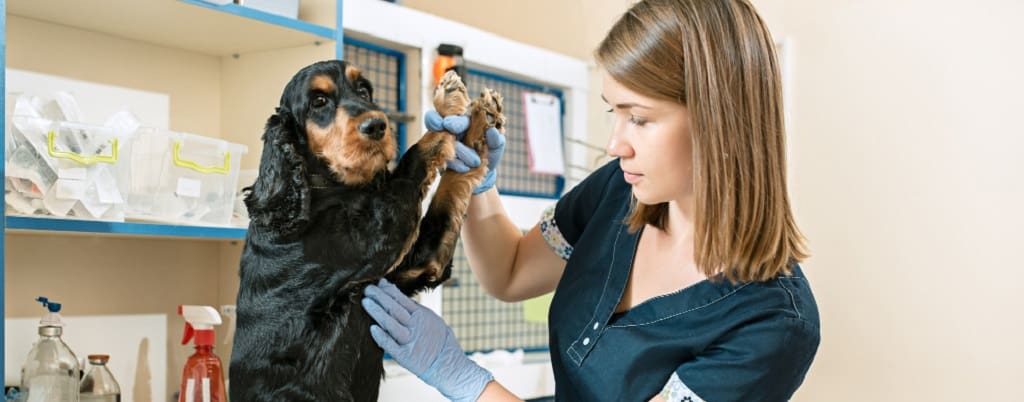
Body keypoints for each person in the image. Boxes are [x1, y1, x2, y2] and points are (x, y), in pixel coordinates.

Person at [360, 0, 821, 400]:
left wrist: (465, 381)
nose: (617, 144)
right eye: (613, 111)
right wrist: (479, 184)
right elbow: (512, 271)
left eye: (639, 119)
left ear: (719, 121)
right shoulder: (620, 192)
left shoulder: (772, 324)